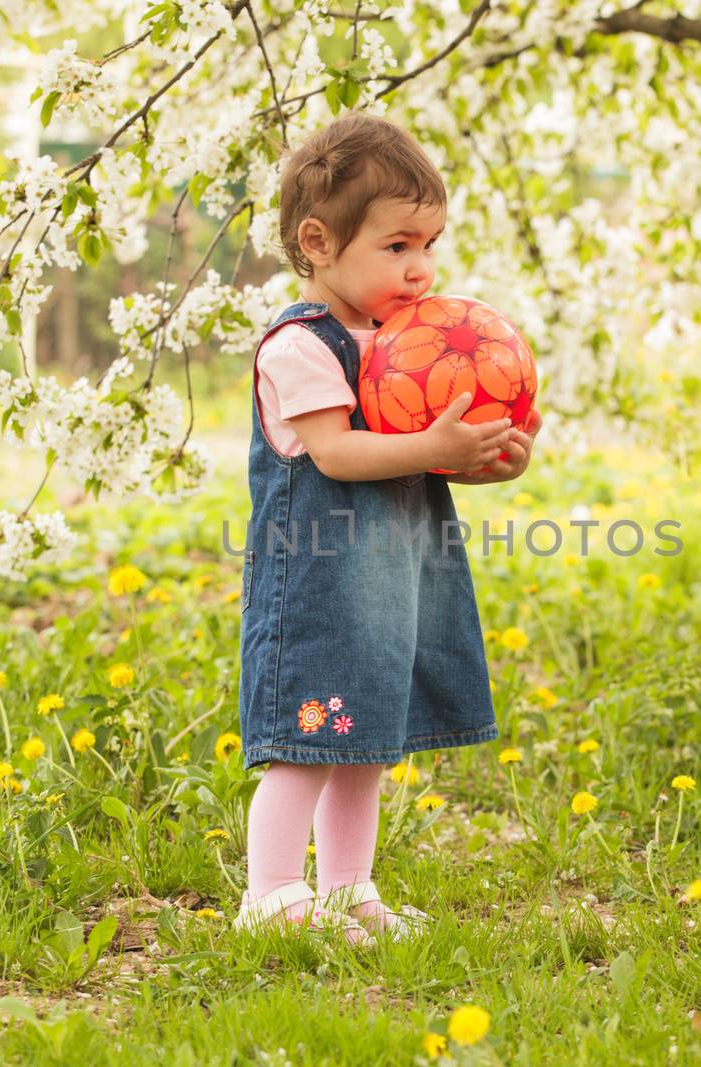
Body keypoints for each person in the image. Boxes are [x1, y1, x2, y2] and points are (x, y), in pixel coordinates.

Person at [234, 111, 542, 943]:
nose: (421, 269)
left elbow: (416, 457)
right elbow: (334, 452)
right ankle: (268, 892)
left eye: (430, 245)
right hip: (318, 583)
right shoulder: (301, 346)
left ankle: (346, 887)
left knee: (365, 739)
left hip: (386, 583)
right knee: (307, 737)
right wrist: (429, 441)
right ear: (319, 241)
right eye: (398, 245)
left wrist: (483, 458)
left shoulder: (404, 346)